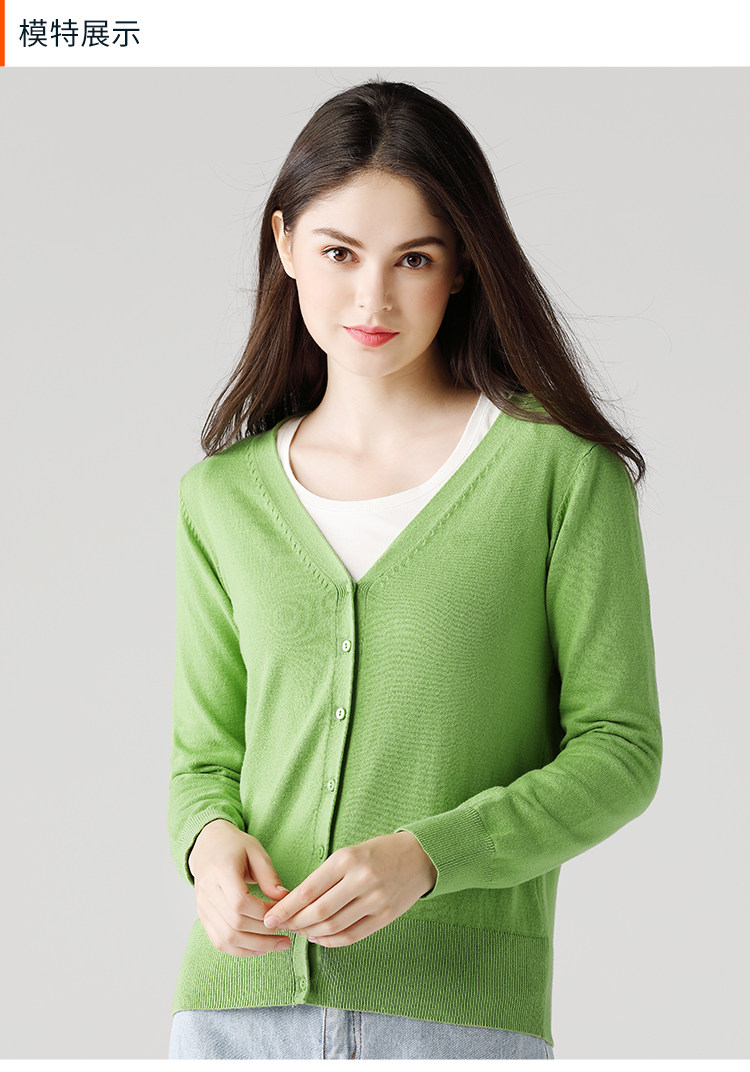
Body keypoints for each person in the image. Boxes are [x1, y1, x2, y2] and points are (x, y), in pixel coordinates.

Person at [166, 79, 662, 1060]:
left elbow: (620, 750)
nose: (372, 298)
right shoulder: (220, 497)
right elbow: (203, 760)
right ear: (284, 245)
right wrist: (208, 848)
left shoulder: (557, 473)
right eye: (339, 252)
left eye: (415, 259)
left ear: (463, 265)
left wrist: (428, 856)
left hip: (452, 1016)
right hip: (230, 1017)